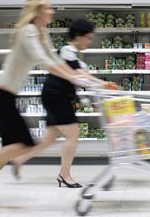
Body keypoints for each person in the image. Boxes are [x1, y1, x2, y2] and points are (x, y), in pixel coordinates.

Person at [0, 0, 93, 209]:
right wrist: (74, 77)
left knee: (10, 151)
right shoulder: (29, 31)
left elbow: (55, 60)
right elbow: (44, 62)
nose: (52, 11)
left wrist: (80, 76)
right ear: (39, 12)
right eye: (48, 9)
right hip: (1, 96)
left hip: (8, 97)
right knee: (22, 144)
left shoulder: (42, 33)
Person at [11, 19, 116, 188]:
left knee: (49, 139)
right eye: (88, 38)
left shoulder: (73, 54)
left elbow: (79, 81)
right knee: (73, 134)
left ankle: (19, 159)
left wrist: (89, 100)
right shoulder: (67, 50)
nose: (90, 41)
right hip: (56, 96)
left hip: (56, 95)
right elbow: (82, 75)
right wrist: (104, 84)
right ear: (78, 36)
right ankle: (64, 175)